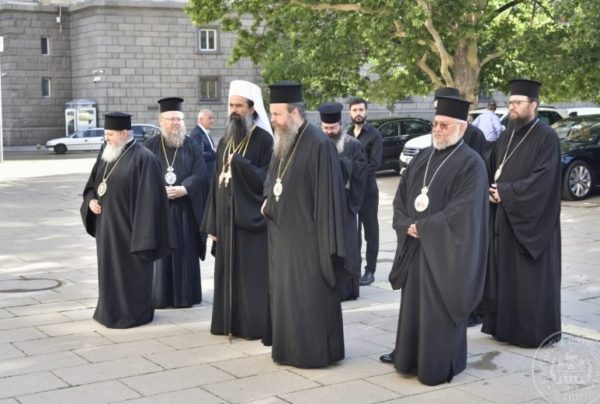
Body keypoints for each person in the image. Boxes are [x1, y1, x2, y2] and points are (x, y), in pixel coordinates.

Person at [386, 96, 488, 385]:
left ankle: (438, 365)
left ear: (462, 127)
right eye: (435, 124)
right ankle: (408, 358)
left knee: (438, 310)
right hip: (416, 249)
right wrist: (406, 224)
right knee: (414, 308)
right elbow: (401, 198)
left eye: (444, 125)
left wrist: (423, 227)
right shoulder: (422, 157)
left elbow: (463, 212)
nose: (438, 130)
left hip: (446, 256)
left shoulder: (472, 164)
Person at [263, 81, 348, 367]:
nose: (272, 119)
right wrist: (268, 201)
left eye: (277, 114)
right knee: (286, 299)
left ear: (295, 112)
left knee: (309, 299)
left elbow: (329, 200)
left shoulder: (319, 145)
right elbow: (272, 181)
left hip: (310, 244)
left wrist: (324, 245)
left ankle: (312, 353)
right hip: (282, 238)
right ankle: (287, 350)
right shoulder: (283, 141)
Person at [480, 79, 561, 348]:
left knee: (529, 281)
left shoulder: (547, 137)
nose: (512, 107)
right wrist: (488, 189)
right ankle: (504, 328)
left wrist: (506, 192)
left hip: (532, 222)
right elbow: (490, 166)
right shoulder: (507, 135)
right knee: (505, 277)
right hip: (505, 219)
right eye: (510, 102)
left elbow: (544, 180)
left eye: (517, 103)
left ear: (533, 105)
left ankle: (531, 333)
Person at [80, 112, 173, 328]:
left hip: (131, 233)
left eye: (110, 134)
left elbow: (151, 202)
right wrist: (91, 200)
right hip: (107, 229)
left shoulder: (144, 158)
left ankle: (134, 314)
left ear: (124, 133)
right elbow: (93, 184)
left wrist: (143, 238)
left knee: (130, 275)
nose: (106, 138)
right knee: (108, 273)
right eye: (106, 134)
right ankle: (108, 311)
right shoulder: (106, 153)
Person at [201, 80, 273, 340]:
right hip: (226, 220)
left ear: (252, 109)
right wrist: (212, 223)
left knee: (250, 278)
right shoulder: (225, 140)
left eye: (239, 106)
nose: (234, 110)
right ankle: (226, 322)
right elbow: (215, 182)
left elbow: (266, 179)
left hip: (250, 222)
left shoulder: (265, 140)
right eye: (231, 105)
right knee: (227, 275)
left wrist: (240, 164)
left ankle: (252, 326)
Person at [144, 97, 207, 308]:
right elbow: (142, 175)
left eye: (179, 119)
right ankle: (160, 297)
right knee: (161, 254)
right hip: (159, 210)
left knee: (184, 252)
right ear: (161, 121)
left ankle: (185, 296)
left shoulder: (192, 145)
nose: (176, 123)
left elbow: (201, 173)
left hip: (184, 210)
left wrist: (184, 188)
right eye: (172, 119)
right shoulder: (150, 146)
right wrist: (158, 190)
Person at [318, 101, 367, 301]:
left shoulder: (353, 145)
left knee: (347, 246)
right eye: (326, 128)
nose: (330, 132)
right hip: (322, 205)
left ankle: (347, 289)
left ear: (340, 125)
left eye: (333, 128)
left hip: (345, 204)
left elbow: (361, 171)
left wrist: (336, 165)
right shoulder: (316, 144)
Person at [346, 97, 382, 286]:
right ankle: (356, 269)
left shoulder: (374, 134)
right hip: (351, 191)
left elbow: (374, 164)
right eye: (355, 110)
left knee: (371, 231)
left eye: (361, 110)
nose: (358, 113)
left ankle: (370, 271)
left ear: (366, 111)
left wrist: (353, 172)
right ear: (349, 113)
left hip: (368, 191)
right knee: (354, 232)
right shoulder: (347, 134)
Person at [434, 87, 487, 157]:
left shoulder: (475, 134)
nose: (439, 112)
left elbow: (477, 160)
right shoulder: (437, 130)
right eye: (436, 109)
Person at [190, 109, 217, 180]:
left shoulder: (205, 132)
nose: (212, 121)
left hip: (210, 173)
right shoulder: (197, 134)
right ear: (200, 120)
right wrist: (214, 153)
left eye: (213, 118)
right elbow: (199, 155)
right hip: (204, 175)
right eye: (209, 118)